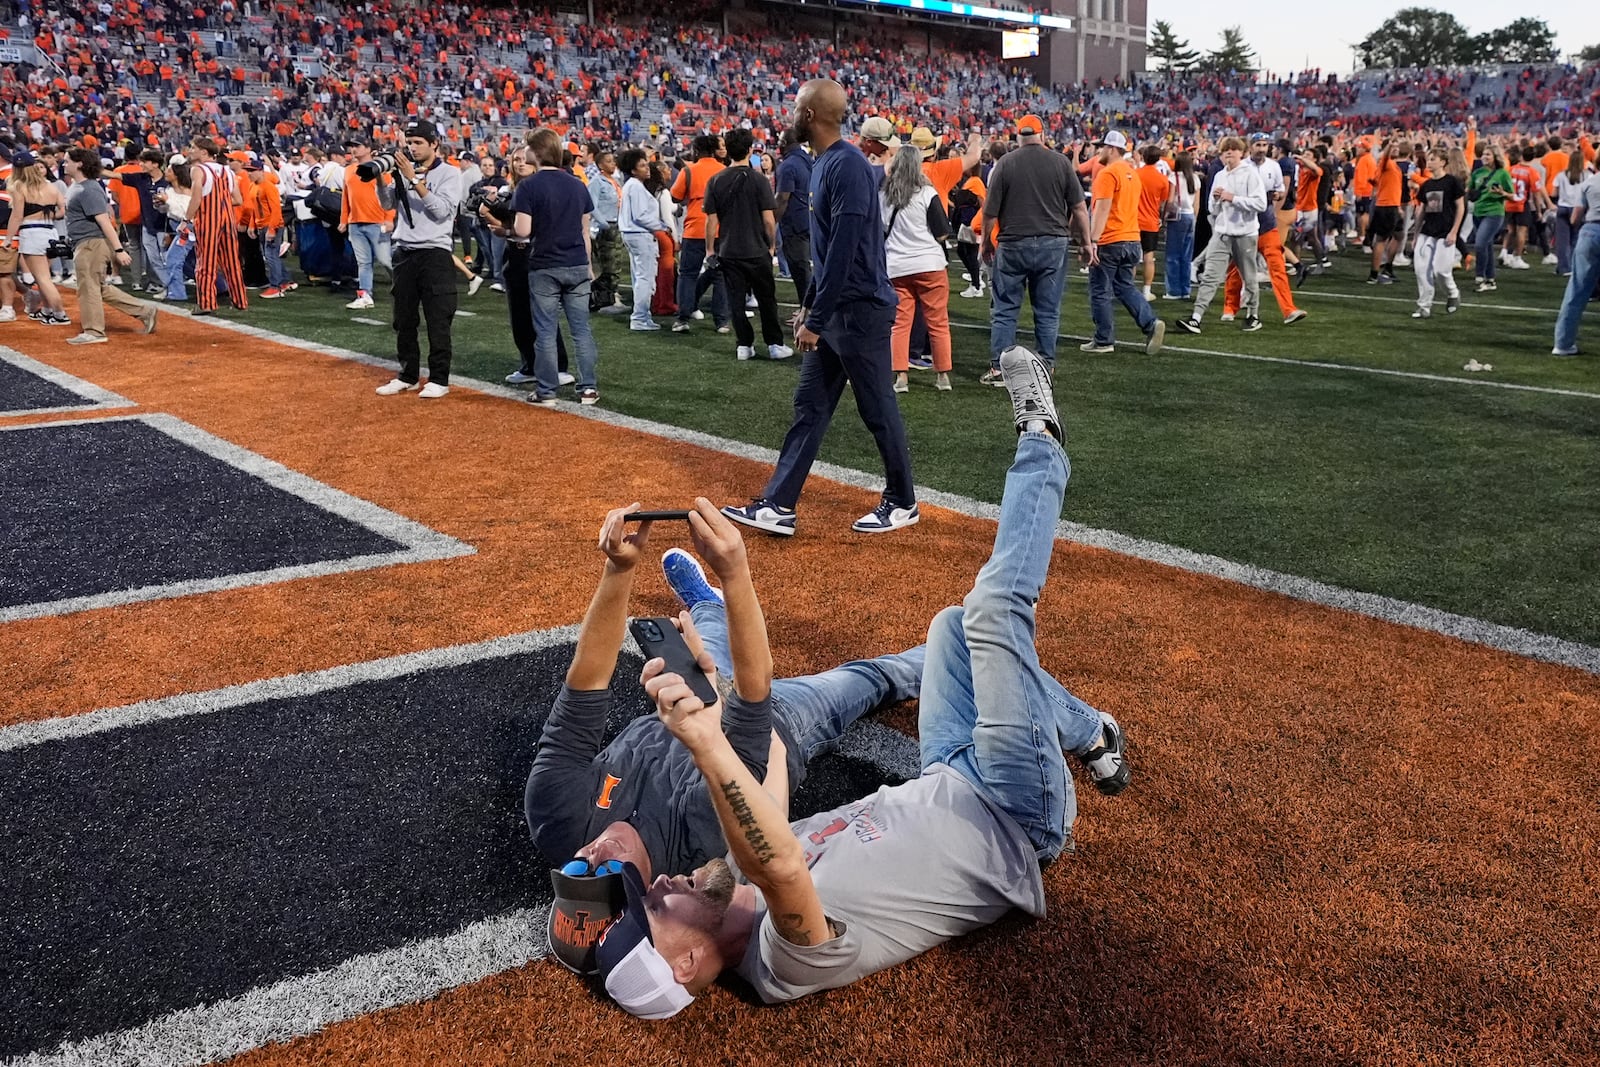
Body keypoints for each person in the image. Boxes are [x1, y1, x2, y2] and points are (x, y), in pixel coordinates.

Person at [595, 345, 1130, 1018]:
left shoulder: (732, 876)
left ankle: (1092, 730)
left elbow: (773, 760)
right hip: (1018, 817)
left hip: (952, 771)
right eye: (653, 905)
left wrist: (716, 677)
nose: (659, 883)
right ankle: (1043, 441)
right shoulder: (780, 961)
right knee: (993, 614)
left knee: (950, 631)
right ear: (686, 961)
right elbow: (781, 865)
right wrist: (704, 747)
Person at [527, 500, 925, 973]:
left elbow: (585, 683)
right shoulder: (699, 845)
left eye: (576, 870)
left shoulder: (556, 816)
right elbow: (755, 696)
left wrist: (619, 569)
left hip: (685, 696)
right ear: (646, 897)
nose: (594, 854)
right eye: (611, 874)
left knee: (705, 652)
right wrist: (737, 573)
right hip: (775, 726)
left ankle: (707, 608)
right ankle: (952, 646)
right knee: (870, 679)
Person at [721, 79, 918, 538]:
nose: (790, 113)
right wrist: (810, 307)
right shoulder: (828, 162)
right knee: (810, 406)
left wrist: (819, 317)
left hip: (860, 310)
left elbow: (847, 250)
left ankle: (903, 500)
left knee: (877, 408)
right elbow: (827, 252)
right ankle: (778, 504)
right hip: (838, 311)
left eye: (795, 106)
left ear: (809, 114)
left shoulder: (845, 165)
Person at [979, 115, 1093, 386]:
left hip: (1013, 242)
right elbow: (1078, 208)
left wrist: (985, 242)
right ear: (1042, 134)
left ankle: (1000, 369)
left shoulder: (1006, 163)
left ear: (1018, 135)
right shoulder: (1061, 163)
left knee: (1005, 309)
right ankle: (1045, 366)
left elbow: (990, 212)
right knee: (1047, 309)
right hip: (1052, 243)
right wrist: (1087, 242)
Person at [373, 119, 463, 400]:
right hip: (405, 251)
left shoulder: (450, 173)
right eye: (409, 143)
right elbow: (388, 204)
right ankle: (408, 375)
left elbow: (441, 212)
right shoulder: (402, 170)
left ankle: (439, 379)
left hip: (434, 253)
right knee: (404, 319)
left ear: (434, 144)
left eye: (418, 143)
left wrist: (413, 178)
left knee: (437, 319)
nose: (412, 148)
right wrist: (380, 176)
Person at [514, 126, 601, 407]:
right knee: (581, 331)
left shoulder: (529, 185)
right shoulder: (577, 184)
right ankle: (588, 388)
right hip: (576, 263)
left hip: (545, 265)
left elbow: (523, 230)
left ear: (536, 152)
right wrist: (588, 267)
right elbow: (584, 230)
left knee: (546, 331)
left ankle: (547, 391)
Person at [704, 128, 793, 362]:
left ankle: (744, 345)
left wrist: (710, 250)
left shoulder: (715, 180)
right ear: (750, 150)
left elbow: (711, 221)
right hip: (756, 250)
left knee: (736, 300)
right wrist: (772, 246)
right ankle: (774, 344)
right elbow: (768, 219)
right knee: (766, 299)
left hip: (729, 250)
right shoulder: (759, 180)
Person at [60, 148, 160, 345]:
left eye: (67, 161)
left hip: (91, 244)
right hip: (85, 243)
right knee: (99, 287)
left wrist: (119, 250)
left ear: (79, 163)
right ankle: (145, 311)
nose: (64, 164)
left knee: (89, 288)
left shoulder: (88, 188)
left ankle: (94, 331)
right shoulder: (79, 186)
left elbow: (104, 221)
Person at [880, 144, 953, 393]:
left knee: (900, 324)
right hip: (929, 265)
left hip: (897, 266)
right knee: (938, 322)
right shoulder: (927, 194)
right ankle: (942, 376)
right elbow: (942, 232)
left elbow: (881, 231)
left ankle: (901, 377)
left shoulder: (884, 195)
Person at [1174, 136, 1266, 335]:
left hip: (1245, 233)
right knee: (1210, 277)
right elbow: (1211, 208)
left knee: (1248, 276)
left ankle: (1253, 314)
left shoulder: (1250, 174)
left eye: (1233, 150)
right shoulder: (1220, 175)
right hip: (1222, 232)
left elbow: (1261, 204)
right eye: (1226, 150)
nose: (1229, 153)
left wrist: (1233, 198)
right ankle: (1196, 318)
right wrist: (1216, 201)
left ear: (1241, 152)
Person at [1083, 136, 1164, 355]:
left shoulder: (1107, 174)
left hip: (1111, 239)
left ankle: (1103, 339)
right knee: (1124, 286)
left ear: (1111, 149)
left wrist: (1093, 240)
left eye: (1102, 148)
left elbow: (1102, 209)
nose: (1099, 152)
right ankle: (1150, 322)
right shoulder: (1131, 173)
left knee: (1100, 290)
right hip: (1132, 237)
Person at [1221, 133, 1307, 325]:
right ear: (1250, 147)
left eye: (1265, 145)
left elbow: (1281, 191)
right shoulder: (1241, 167)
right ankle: (1230, 307)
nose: (1261, 148)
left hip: (1267, 224)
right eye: (1258, 144)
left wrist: (1276, 197)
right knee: (1235, 269)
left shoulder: (1274, 166)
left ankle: (1289, 310)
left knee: (1277, 268)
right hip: (1245, 225)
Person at [671, 134, 731, 334]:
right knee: (720, 277)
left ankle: (683, 318)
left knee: (687, 275)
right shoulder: (724, 171)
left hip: (694, 229)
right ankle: (721, 321)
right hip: (720, 230)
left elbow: (675, 196)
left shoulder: (689, 171)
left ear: (696, 151)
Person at [3, 150, 69, 326]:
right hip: (50, 232)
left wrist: (9, 238)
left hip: (32, 233)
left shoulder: (19, 187)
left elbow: (16, 216)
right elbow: (62, 211)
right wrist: (46, 215)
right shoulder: (51, 186)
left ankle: (60, 314)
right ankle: (47, 310)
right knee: (44, 276)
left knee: (42, 279)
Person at [184, 137, 247, 314]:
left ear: (204, 152)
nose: (190, 151)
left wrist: (186, 219)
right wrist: (221, 203)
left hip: (208, 220)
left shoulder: (198, 169)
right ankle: (240, 300)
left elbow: (196, 198)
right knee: (232, 262)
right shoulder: (228, 171)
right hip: (228, 219)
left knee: (205, 263)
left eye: (193, 147)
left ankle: (206, 303)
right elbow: (238, 199)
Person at [340, 139, 396, 311]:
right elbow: (345, 196)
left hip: (377, 221)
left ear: (368, 148)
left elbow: (388, 196)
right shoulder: (348, 170)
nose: (354, 149)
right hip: (355, 223)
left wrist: (389, 218)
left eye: (358, 146)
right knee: (363, 262)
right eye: (352, 147)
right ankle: (365, 295)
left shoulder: (380, 169)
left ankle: (404, 285)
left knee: (385, 260)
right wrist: (343, 219)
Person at [1410, 148, 1465, 320]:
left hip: (1445, 232)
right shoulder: (1426, 185)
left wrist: (1454, 231)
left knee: (1441, 270)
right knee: (1421, 269)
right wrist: (1416, 234)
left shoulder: (1452, 182)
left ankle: (1452, 292)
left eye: (1433, 159)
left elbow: (1460, 207)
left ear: (1443, 162)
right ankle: (1424, 306)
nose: (1429, 162)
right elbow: (1422, 210)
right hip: (1427, 232)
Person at [618, 147, 669, 331]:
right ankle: (639, 317)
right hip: (639, 234)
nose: (647, 168)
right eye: (642, 165)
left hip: (632, 234)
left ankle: (642, 316)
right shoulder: (635, 187)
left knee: (639, 277)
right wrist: (662, 226)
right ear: (633, 170)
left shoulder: (632, 185)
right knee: (645, 277)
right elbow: (640, 215)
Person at [1552, 168, 1600, 357]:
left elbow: (1574, 218)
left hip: (1590, 232)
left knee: (1576, 291)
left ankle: (1562, 344)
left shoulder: (1589, 182)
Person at [774, 130, 813, 303]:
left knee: (800, 269)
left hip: (794, 223)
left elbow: (783, 197)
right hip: (809, 219)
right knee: (806, 268)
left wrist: (772, 220)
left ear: (785, 143)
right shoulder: (807, 160)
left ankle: (807, 313)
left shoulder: (788, 165)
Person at [1468, 145, 1513, 293]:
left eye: (1488, 154)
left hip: (1494, 212)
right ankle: (1490, 280)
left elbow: (1513, 196)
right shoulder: (1477, 173)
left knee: (1480, 244)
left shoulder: (1502, 174)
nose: (1484, 157)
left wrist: (1502, 193)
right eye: (1483, 154)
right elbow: (1471, 191)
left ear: (1495, 157)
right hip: (1478, 212)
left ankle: (1480, 274)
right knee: (1486, 245)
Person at [588, 149, 625, 313]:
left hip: (618, 226)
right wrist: (603, 223)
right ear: (600, 165)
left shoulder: (616, 181)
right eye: (609, 161)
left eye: (613, 160)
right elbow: (591, 206)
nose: (613, 163)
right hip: (607, 227)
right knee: (610, 266)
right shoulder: (597, 182)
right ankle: (598, 296)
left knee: (616, 265)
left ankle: (609, 296)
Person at [1134, 145, 1169, 301]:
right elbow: (1162, 202)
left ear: (1143, 157)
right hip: (1151, 222)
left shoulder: (1135, 174)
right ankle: (1146, 291)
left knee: (1132, 257)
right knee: (1149, 257)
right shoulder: (1162, 179)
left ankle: (1127, 287)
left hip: (1133, 221)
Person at [1163, 150, 1198, 301]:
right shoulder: (1195, 178)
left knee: (1172, 255)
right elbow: (1197, 204)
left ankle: (1173, 290)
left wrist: (1165, 216)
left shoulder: (1173, 176)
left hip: (1177, 217)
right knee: (1186, 255)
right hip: (1190, 216)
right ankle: (1185, 289)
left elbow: (1170, 200)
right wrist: (1194, 218)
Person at [1553, 149, 1590, 279]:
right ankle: (1575, 267)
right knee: (1575, 240)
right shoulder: (1587, 176)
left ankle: (1563, 267)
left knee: (1562, 241)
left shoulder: (1561, 175)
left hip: (1563, 208)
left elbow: (1554, 193)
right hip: (1579, 209)